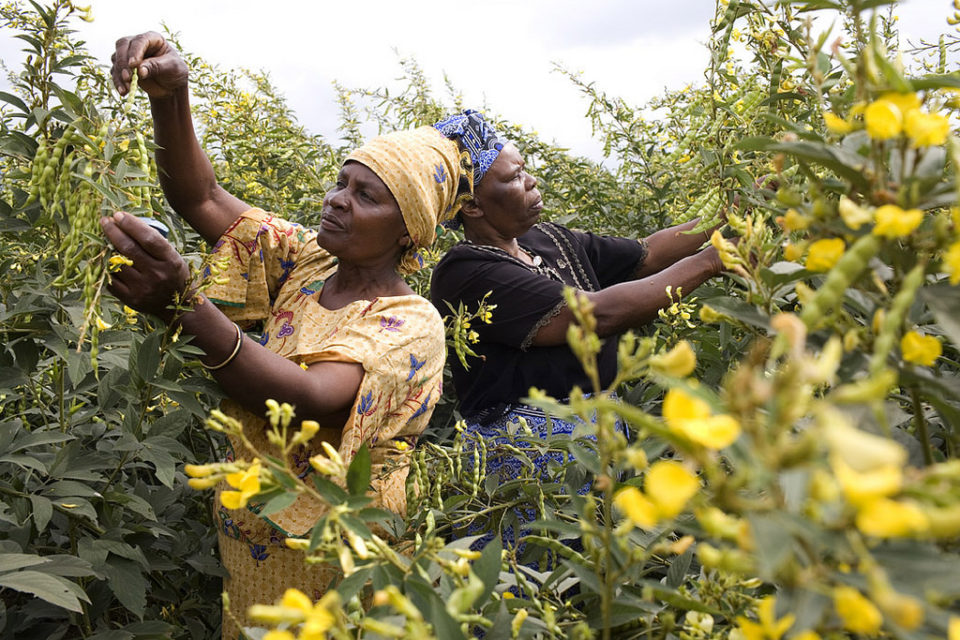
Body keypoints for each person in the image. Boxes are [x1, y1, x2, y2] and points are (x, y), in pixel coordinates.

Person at [106, 33, 464, 639]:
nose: (337, 201)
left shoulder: (411, 322)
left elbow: (310, 395)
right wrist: (171, 97)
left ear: (409, 230)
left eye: (366, 196)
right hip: (254, 528)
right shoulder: (309, 261)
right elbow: (202, 197)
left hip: (335, 547)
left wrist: (182, 303)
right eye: (341, 183)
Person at [430, 110, 727, 553]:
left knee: (594, 587)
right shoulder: (466, 271)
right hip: (525, 463)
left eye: (525, 169)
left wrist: (730, 213)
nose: (530, 182)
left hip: (594, 443)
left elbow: (647, 255)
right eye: (514, 178)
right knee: (528, 590)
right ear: (472, 205)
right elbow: (593, 318)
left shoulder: (545, 239)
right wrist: (713, 260)